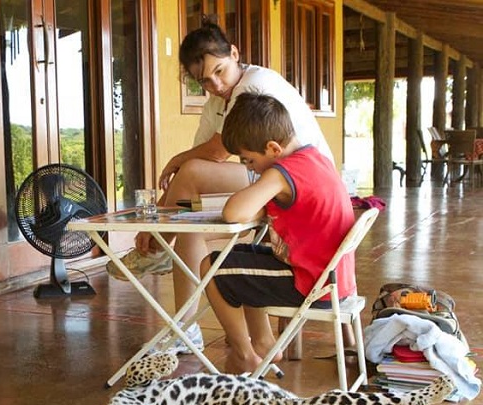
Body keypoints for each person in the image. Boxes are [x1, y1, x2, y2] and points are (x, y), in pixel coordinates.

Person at [106, 22, 335, 354]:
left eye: (219, 71)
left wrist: (176, 161)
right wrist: (182, 165)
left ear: (235, 54)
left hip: (295, 178)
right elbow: (204, 157)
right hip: (272, 176)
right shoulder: (217, 100)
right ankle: (182, 319)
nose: (215, 84)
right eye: (204, 80)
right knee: (190, 220)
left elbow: (216, 152)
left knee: (191, 172)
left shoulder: (253, 85)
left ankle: (155, 250)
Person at [201, 91, 355, 374]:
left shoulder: (284, 171)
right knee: (236, 259)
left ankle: (243, 353)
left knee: (212, 267)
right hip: (331, 280)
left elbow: (233, 212)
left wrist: (255, 191)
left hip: (311, 284)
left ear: (273, 148)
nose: (251, 169)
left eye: (249, 161)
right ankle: (262, 343)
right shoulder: (314, 157)